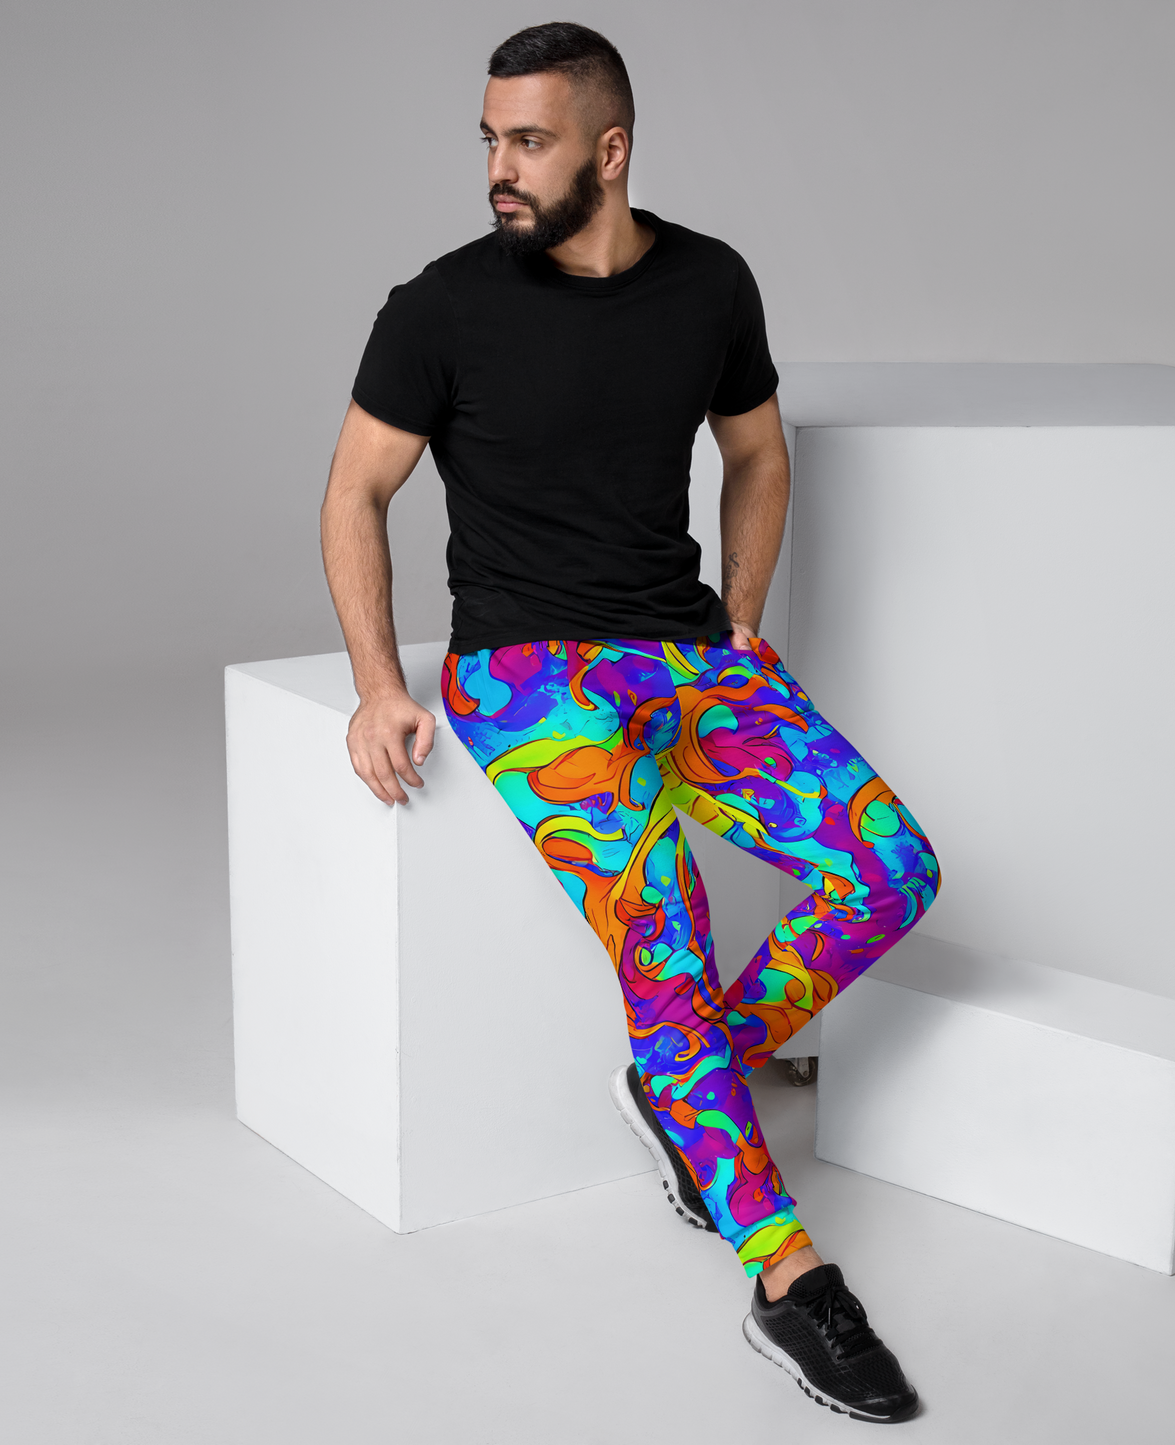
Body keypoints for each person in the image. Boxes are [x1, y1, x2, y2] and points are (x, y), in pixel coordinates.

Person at [320, 21, 940, 1424]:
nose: (500, 168)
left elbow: (757, 452)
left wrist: (743, 619)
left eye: (529, 141)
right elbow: (353, 491)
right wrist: (375, 682)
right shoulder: (437, 307)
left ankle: (684, 1082)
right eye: (490, 139)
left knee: (892, 870)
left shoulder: (711, 282)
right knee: (668, 938)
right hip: (529, 679)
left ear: (610, 150)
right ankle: (787, 1276)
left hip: (685, 654)